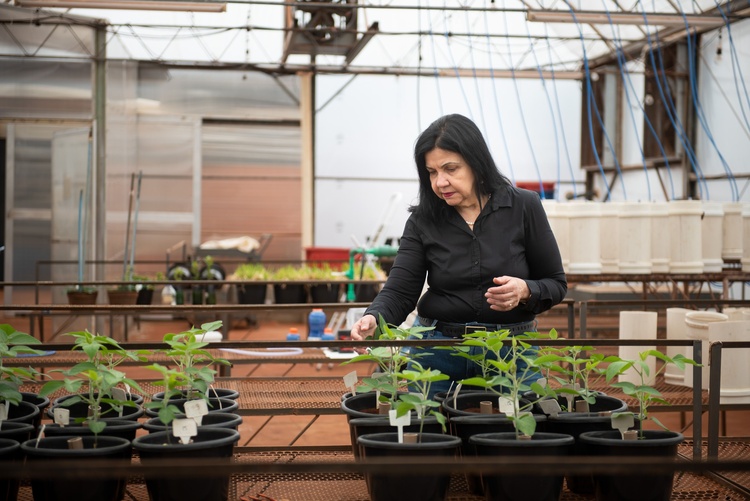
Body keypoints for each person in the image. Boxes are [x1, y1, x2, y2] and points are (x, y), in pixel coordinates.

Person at [350, 113, 567, 397]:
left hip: (510, 350)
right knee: (429, 422)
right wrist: (374, 318)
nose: (440, 182)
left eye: (450, 169)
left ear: (476, 162)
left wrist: (525, 290)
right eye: (432, 172)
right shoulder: (423, 221)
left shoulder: (523, 207)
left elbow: (555, 283)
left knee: (518, 422)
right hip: (438, 350)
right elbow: (401, 291)